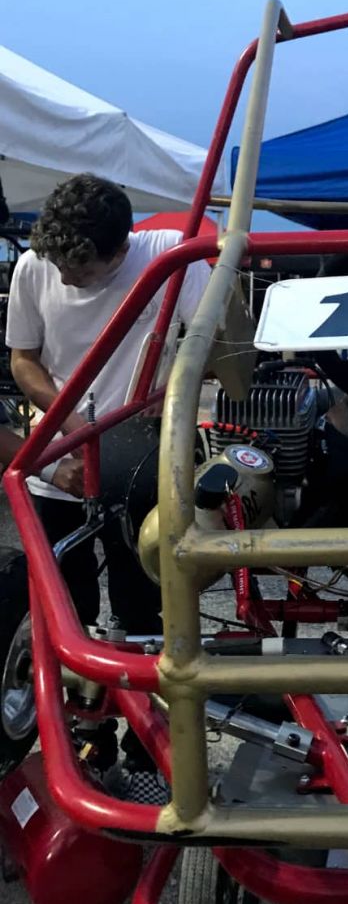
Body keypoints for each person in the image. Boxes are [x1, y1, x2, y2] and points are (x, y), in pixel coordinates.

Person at [6, 173, 211, 634]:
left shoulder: (171, 255)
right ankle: (75, 701)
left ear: (120, 251)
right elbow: (24, 361)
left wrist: (178, 389)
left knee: (142, 604)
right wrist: (73, 425)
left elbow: (216, 348)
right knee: (62, 609)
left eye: (77, 271)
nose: (62, 276)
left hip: (142, 461)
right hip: (62, 458)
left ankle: (143, 697)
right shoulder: (34, 267)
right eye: (56, 263)